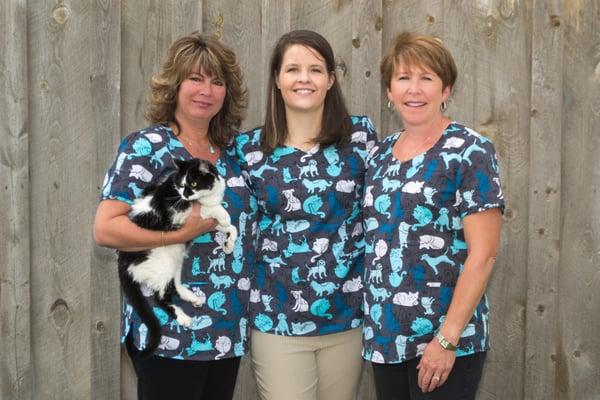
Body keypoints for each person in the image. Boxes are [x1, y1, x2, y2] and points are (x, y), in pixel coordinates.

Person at [93, 32, 255, 400]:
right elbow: (106, 228)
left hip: (225, 330)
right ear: (175, 85)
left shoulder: (232, 157)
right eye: (195, 78)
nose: (206, 90)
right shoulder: (147, 147)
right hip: (169, 331)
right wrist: (177, 234)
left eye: (217, 81)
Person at [235, 30, 378, 400]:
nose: (304, 78)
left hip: (346, 318)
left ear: (331, 80)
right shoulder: (248, 150)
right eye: (293, 69)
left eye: (315, 70)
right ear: (277, 79)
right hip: (276, 320)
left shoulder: (360, 140)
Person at [362, 32, 504, 400]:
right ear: (389, 92)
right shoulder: (378, 156)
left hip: (446, 340)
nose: (414, 89)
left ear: (446, 89)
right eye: (403, 78)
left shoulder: (469, 151)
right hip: (386, 338)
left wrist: (446, 339)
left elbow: (484, 253)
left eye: (426, 78)